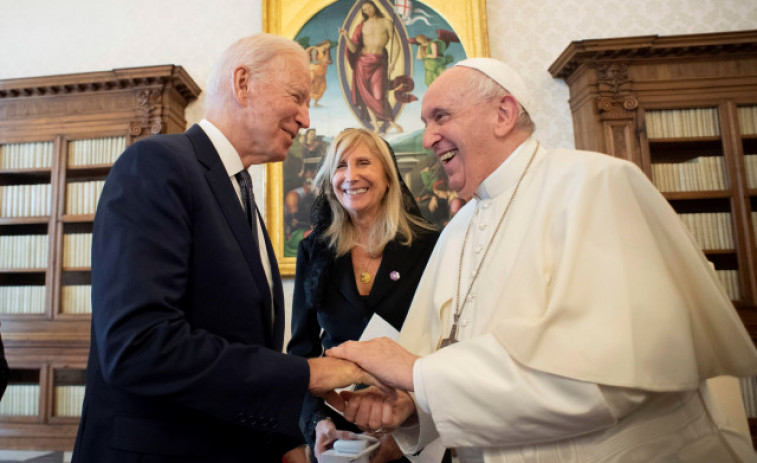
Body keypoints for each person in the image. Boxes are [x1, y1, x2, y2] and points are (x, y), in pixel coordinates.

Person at [326, 58, 757, 462]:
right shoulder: (457, 229)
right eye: (424, 123)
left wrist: (420, 376)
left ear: (504, 114)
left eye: (441, 116)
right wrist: (412, 406)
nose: (427, 138)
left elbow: (604, 379)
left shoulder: (595, 185)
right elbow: (441, 372)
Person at [71, 33, 379, 463]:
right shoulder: (158, 165)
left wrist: (285, 444)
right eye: (297, 96)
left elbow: (241, 343)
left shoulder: (241, 191)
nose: (307, 118)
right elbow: (139, 346)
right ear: (242, 83)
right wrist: (306, 372)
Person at [287, 128, 439, 463]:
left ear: (388, 176)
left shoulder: (433, 245)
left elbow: (448, 344)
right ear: (330, 180)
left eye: (363, 163)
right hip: (340, 437)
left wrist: (409, 427)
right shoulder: (313, 250)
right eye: (340, 165)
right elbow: (302, 351)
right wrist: (317, 424)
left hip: (417, 428)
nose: (350, 176)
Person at [339, 1, 403, 134]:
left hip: (379, 62)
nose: (368, 11)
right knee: (366, 95)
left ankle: (391, 122)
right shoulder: (361, 26)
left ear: (375, 6)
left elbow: (396, 45)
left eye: (369, 7)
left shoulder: (387, 22)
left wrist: (392, 63)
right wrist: (346, 35)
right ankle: (376, 126)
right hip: (362, 62)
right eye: (365, 10)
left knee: (378, 95)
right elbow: (353, 48)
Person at [306, 39, 333, 107]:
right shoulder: (315, 50)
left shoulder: (327, 52)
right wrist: (322, 61)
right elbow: (314, 62)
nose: (327, 48)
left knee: (322, 87)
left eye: (328, 47)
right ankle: (306, 102)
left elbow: (330, 61)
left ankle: (316, 103)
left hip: (322, 72)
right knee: (310, 84)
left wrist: (328, 61)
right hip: (314, 70)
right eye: (327, 46)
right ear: (324, 44)